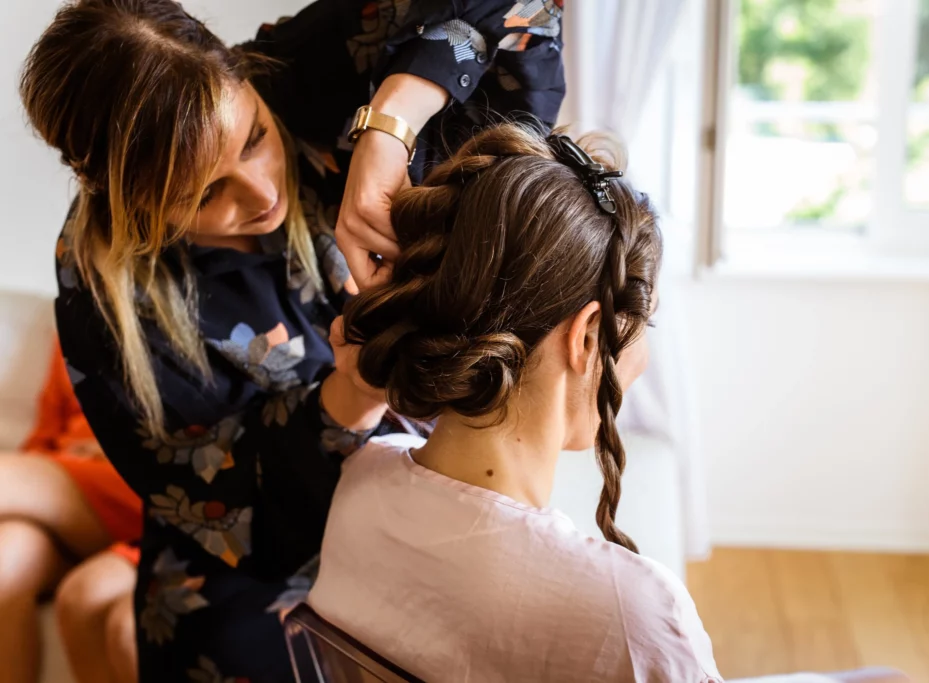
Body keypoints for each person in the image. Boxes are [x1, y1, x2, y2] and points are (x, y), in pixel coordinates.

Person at [19, 1, 564, 681]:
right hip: (244, 574)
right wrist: (351, 393)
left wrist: (388, 128)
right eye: (204, 194)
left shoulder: (304, 68)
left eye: (253, 137)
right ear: (128, 201)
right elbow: (227, 513)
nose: (261, 193)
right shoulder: (104, 286)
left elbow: (526, 12)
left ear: (240, 73)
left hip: (446, 489)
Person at [308, 125, 912, 683]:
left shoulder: (361, 481)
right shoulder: (628, 611)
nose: (641, 360)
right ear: (587, 337)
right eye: (644, 325)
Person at [0, 339, 140, 683]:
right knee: (6, 555)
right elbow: (45, 433)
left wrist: (121, 451)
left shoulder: (188, 322)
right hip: (65, 485)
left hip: (128, 483)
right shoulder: (71, 326)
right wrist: (41, 471)